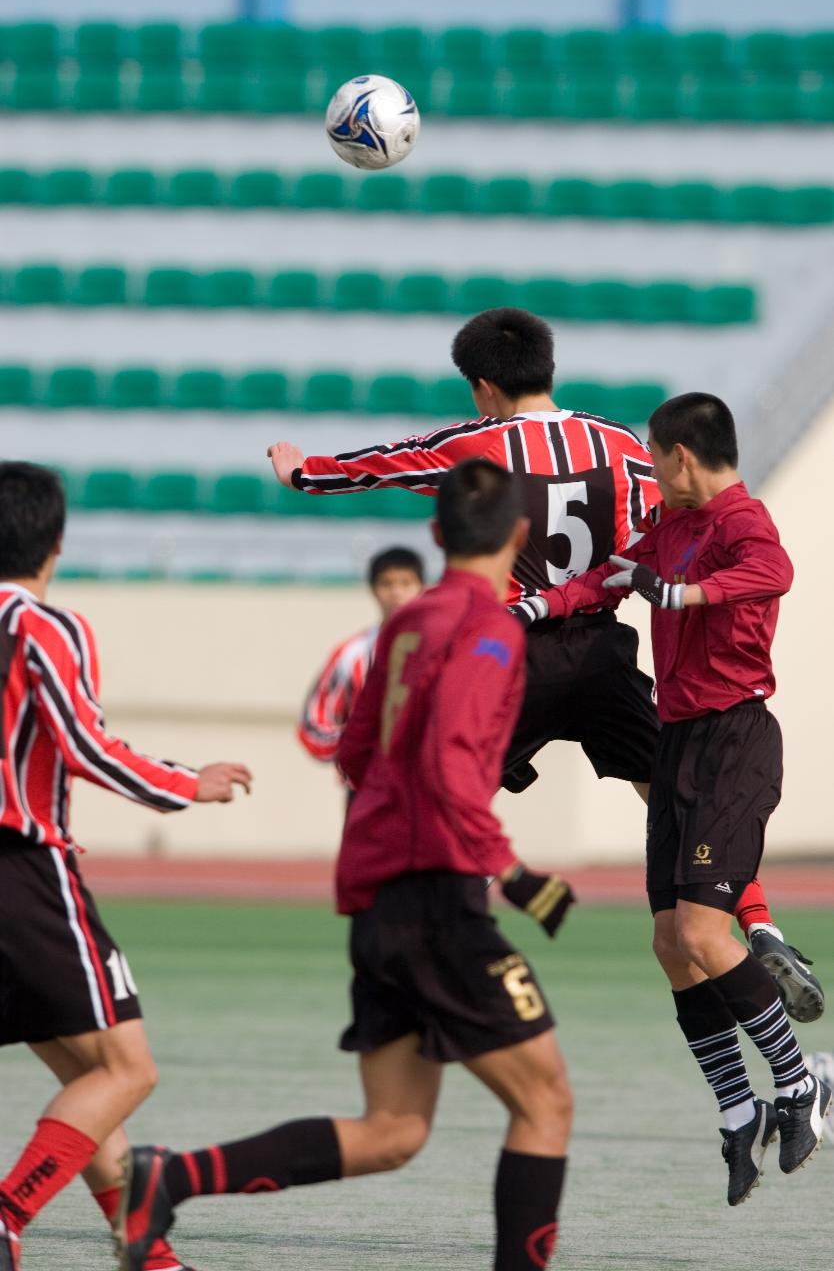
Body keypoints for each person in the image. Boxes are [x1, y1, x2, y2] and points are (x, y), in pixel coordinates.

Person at [267, 306, 822, 1024]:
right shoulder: (622, 445)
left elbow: (370, 469)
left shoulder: (474, 444)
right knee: (680, 800)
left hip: (515, 651)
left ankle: (418, 941)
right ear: (548, 368)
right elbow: (681, 516)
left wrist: (300, 472)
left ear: (484, 386)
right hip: (602, 649)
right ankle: (758, 923)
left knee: (437, 785)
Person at [118, 459, 576, 1271]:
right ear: (519, 535)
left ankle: (168, 1178)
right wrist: (510, 871)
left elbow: (358, 751)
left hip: (381, 903)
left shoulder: (403, 627)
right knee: (545, 1103)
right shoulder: (490, 627)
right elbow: (444, 756)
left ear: (436, 536)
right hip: (439, 901)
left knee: (392, 1132)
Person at [517, 393, 831, 1205]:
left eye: (656, 455)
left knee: (701, 929)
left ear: (683, 454)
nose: (651, 468)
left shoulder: (741, 522)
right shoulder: (670, 525)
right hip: (681, 739)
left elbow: (775, 573)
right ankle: (738, 1109)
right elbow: (607, 579)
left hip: (734, 741)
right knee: (668, 941)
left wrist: (680, 595)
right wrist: (536, 605)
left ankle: (803, 1084)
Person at [0, 461, 252, 1271]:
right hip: (22, 868)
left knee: (88, 1072)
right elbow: (84, 746)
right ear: (57, 542)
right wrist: (189, 785)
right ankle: (6, 1214)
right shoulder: (44, 626)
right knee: (127, 1069)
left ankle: (148, 1253)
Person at [298, 546, 424, 764]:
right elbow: (315, 724)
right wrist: (359, 741)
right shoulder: (351, 653)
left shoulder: (444, 648)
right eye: (387, 583)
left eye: (406, 583)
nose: (396, 592)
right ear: (373, 590)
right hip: (366, 784)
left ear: (421, 587)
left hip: (425, 783)